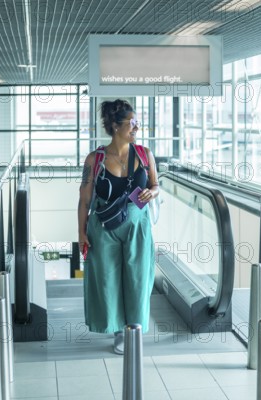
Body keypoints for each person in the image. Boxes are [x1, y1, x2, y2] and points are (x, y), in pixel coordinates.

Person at [77, 99, 159, 354]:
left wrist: (153, 193)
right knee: (107, 279)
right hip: (103, 227)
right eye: (131, 123)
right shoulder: (95, 159)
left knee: (138, 278)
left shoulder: (145, 154)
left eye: (137, 122)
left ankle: (133, 329)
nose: (136, 127)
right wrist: (81, 233)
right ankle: (117, 331)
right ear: (115, 126)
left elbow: (155, 185)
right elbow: (84, 198)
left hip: (138, 225)